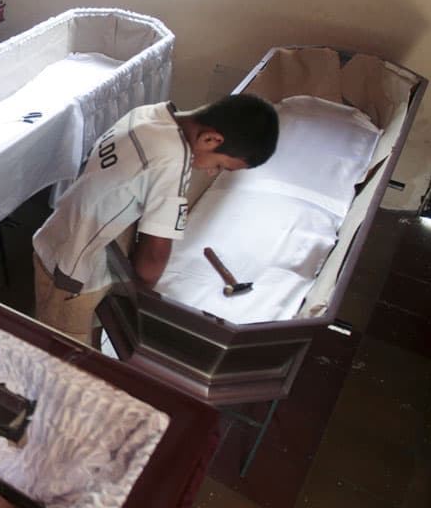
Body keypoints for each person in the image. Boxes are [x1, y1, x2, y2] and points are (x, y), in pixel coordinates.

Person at [32, 94, 279, 347]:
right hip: (72, 272)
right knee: (68, 359)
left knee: (91, 339)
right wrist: (140, 302)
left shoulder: (149, 114)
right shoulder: (173, 160)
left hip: (59, 234)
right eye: (220, 165)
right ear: (210, 139)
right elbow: (154, 253)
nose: (211, 171)